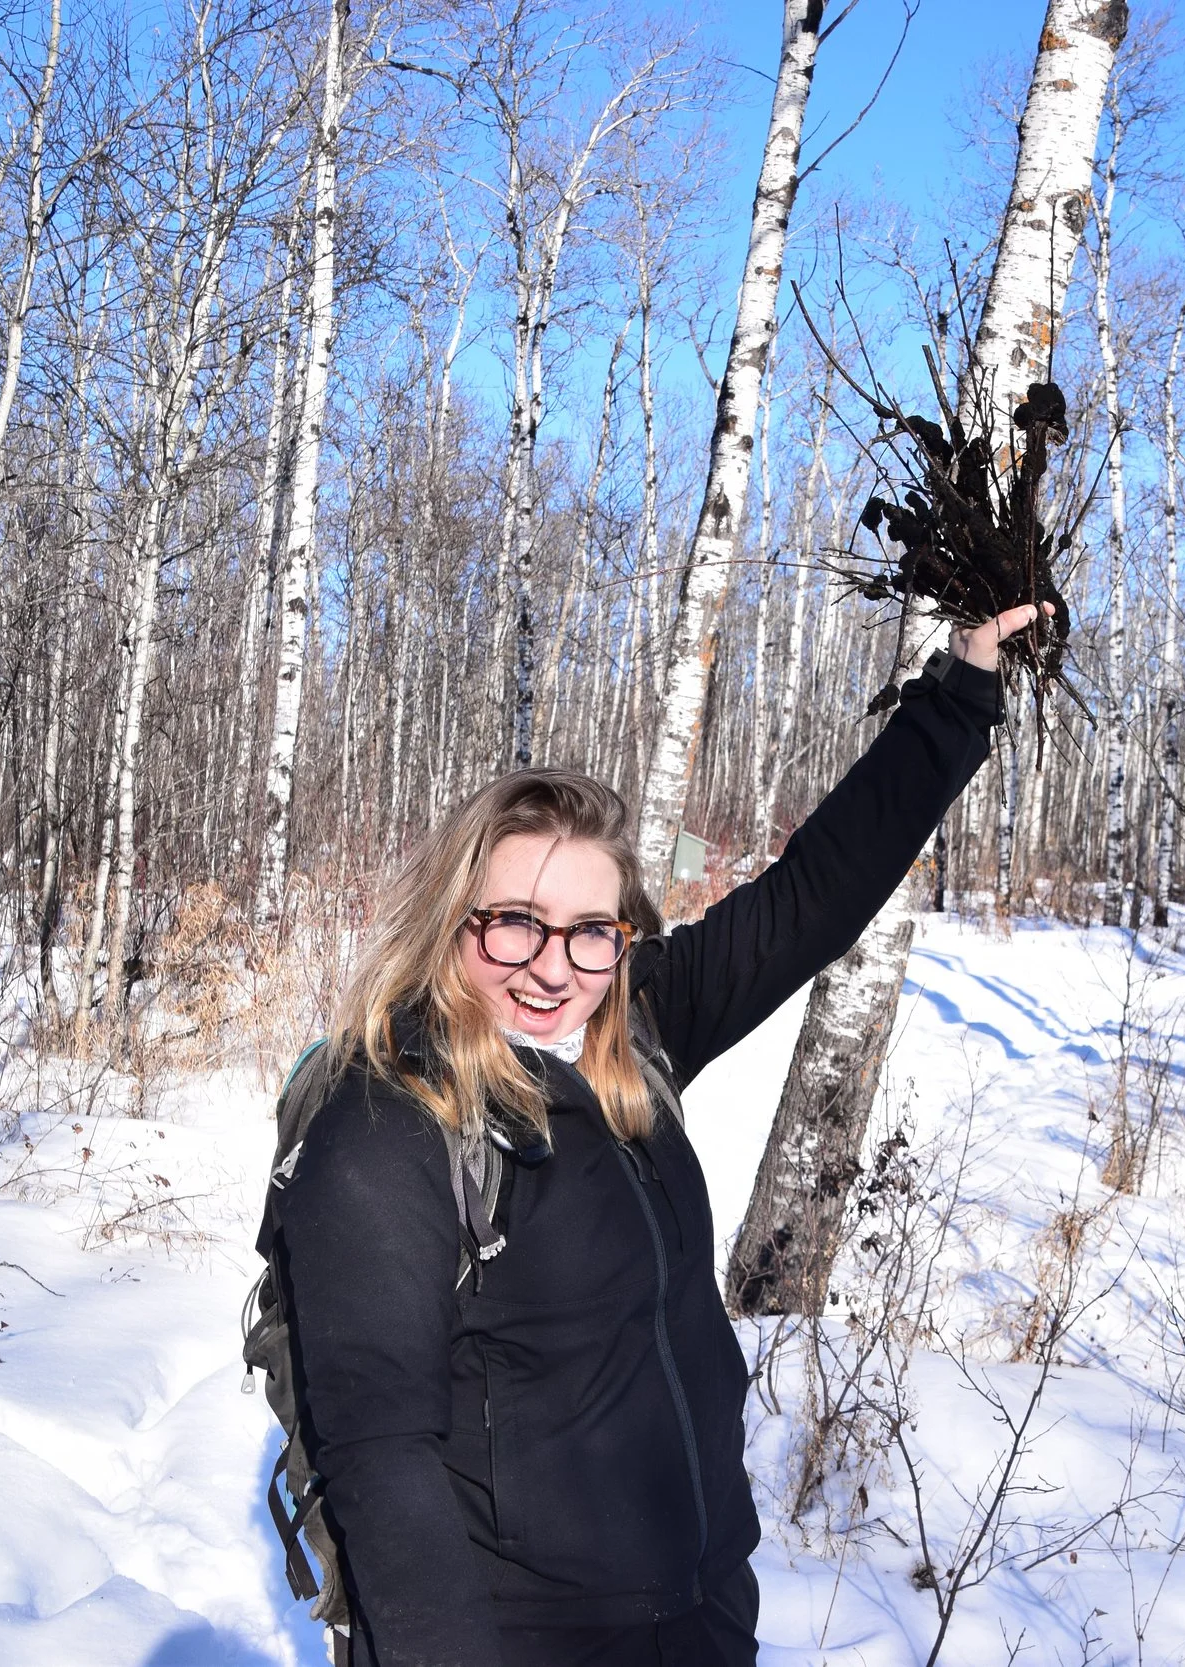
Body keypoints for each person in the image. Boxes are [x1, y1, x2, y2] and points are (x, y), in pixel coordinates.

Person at [263, 605, 1043, 1666]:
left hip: (702, 1608)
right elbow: (381, 1457)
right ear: (453, 919)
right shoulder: (391, 1121)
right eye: (514, 922)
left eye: (590, 930)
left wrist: (958, 691)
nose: (552, 965)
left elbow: (813, 896)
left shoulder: (633, 1033)